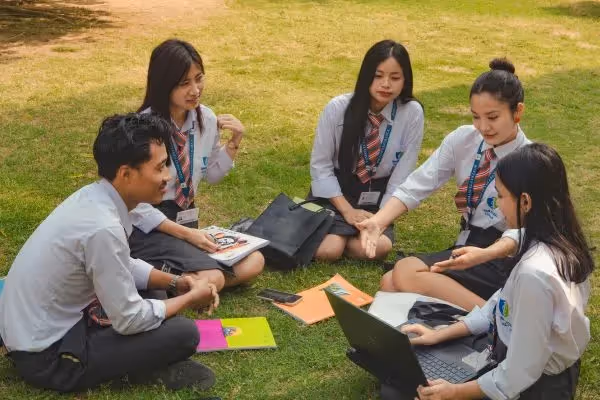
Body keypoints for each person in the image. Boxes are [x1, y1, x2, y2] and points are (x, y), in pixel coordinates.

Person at [0, 113, 220, 392]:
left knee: (155, 292)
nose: (167, 177)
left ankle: (142, 357)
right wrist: (189, 298)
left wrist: (176, 282)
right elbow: (129, 319)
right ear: (126, 174)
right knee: (183, 334)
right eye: (160, 167)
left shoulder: (94, 197)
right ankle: (145, 364)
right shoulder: (102, 227)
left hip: (40, 325)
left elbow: (121, 265)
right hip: (47, 356)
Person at [403, 143, 593, 400]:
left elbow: (517, 375)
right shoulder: (554, 237)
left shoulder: (534, 274)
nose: (498, 206)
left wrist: (454, 392)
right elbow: (500, 306)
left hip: (534, 387)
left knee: (407, 391)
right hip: (517, 362)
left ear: (525, 201)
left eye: (501, 196)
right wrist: (440, 335)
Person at [358, 58, 528, 311]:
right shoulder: (463, 139)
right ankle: (479, 315)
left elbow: (538, 230)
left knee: (403, 273)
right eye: (476, 117)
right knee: (389, 284)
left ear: (517, 112)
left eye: (493, 117)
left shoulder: (530, 159)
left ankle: (493, 319)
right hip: (469, 243)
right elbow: (418, 184)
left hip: (505, 254)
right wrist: (378, 221)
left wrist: (488, 253)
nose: (483, 127)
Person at [129, 39, 264, 291]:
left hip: (187, 218)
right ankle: (192, 281)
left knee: (255, 260)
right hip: (151, 226)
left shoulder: (207, 119)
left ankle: (179, 280)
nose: (195, 90)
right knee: (215, 276)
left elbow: (212, 175)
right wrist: (187, 234)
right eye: (184, 83)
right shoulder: (142, 128)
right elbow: (135, 207)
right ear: (164, 85)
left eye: (199, 78)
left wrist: (233, 144)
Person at [309, 39, 424, 262]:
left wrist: (380, 219)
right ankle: (339, 235)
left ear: (405, 80)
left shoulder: (412, 112)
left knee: (377, 249)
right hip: (338, 192)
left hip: (377, 197)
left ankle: (345, 237)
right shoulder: (337, 108)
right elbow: (320, 166)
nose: (386, 84)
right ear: (365, 76)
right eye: (378, 75)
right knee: (327, 251)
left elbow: (402, 175)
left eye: (395, 77)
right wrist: (347, 212)